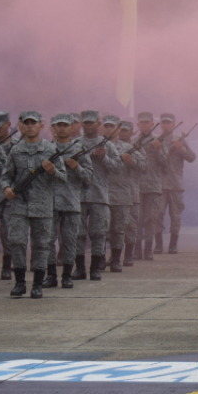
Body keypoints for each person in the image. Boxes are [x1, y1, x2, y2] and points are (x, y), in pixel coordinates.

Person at [0, 111, 65, 298]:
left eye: (33, 123)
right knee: (17, 241)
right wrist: (6, 189)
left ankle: (37, 284)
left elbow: (63, 178)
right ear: (21, 125)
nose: (29, 126)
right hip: (19, 205)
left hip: (43, 205)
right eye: (26, 123)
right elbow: (5, 175)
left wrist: (53, 171)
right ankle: (19, 282)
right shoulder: (16, 150)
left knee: (41, 245)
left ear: (41, 126)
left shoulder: (50, 151)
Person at [44, 114, 89, 289]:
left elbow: (89, 178)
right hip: (50, 201)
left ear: (72, 127)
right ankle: (51, 275)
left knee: (70, 240)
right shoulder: (46, 149)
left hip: (71, 201)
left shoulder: (80, 149)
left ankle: (67, 275)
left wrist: (77, 167)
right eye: (58, 125)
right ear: (53, 128)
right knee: (48, 240)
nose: (61, 128)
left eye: (65, 125)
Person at [76, 111, 118, 281]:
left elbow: (118, 168)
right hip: (78, 195)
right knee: (77, 234)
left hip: (100, 195)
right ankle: (79, 268)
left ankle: (94, 267)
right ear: (81, 123)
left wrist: (104, 157)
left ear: (98, 123)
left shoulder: (107, 145)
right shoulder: (75, 144)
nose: (88, 125)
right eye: (85, 122)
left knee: (99, 233)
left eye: (92, 122)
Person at [156, 114, 195, 254]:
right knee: (157, 214)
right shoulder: (156, 141)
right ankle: (158, 244)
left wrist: (181, 150)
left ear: (173, 124)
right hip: (159, 184)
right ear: (160, 124)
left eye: (169, 122)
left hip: (175, 185)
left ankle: (173, 244)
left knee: (176, 215)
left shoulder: (179, 140)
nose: (166, 125)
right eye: (164, 122)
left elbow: (192, 157)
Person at [114, 119, 147, 268]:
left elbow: (145, 166)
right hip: (113, 191)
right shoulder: (110, 147)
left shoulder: (136, 147)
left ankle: (129, 255)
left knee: (131, 225)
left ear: (131, 132)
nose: (122, 133)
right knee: (112, 226)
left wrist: (132, 161)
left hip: (132, 191)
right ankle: (114, 256)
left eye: (126, 130)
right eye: (120, 130)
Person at [133, 112, 165, 261]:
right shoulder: (133, 142)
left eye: (147, 122)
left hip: (152, 185)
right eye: (142, 123)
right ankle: (137, 249)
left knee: (150, 218)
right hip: (137, 185)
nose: (145, 125)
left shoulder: (159, 141)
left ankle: (148, 249)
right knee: (137, 218)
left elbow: (166, 163)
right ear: (138, 124)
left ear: (152, 124)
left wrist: (158, 150)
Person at [0, 112, 16, 281]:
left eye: (0, 125)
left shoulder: (17, 146)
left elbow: (9, 170)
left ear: (8, 124)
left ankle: (7, 266)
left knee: (8, 232)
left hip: (9, 194)